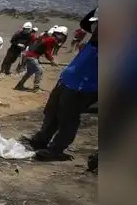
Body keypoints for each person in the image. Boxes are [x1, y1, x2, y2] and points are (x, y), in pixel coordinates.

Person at [26, 9, 98, 161]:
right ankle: (41, 139)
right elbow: (85, 23)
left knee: (68, 119)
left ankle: (56, 150)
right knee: (51, 112)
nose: (96, 28)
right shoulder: (95, 39)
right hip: (67, 81)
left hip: (81, 88)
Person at [15, 26, 65, 91]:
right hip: (32, 56)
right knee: (39, 70)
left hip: (30, 55)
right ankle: (36, 88)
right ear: (59, 34)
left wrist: (51, 60)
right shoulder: (51, 40)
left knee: (30, 72)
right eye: (63, 36)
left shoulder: (48, 38)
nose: (63, 37)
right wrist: (52, 60)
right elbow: (47, 52)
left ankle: (19, 85)